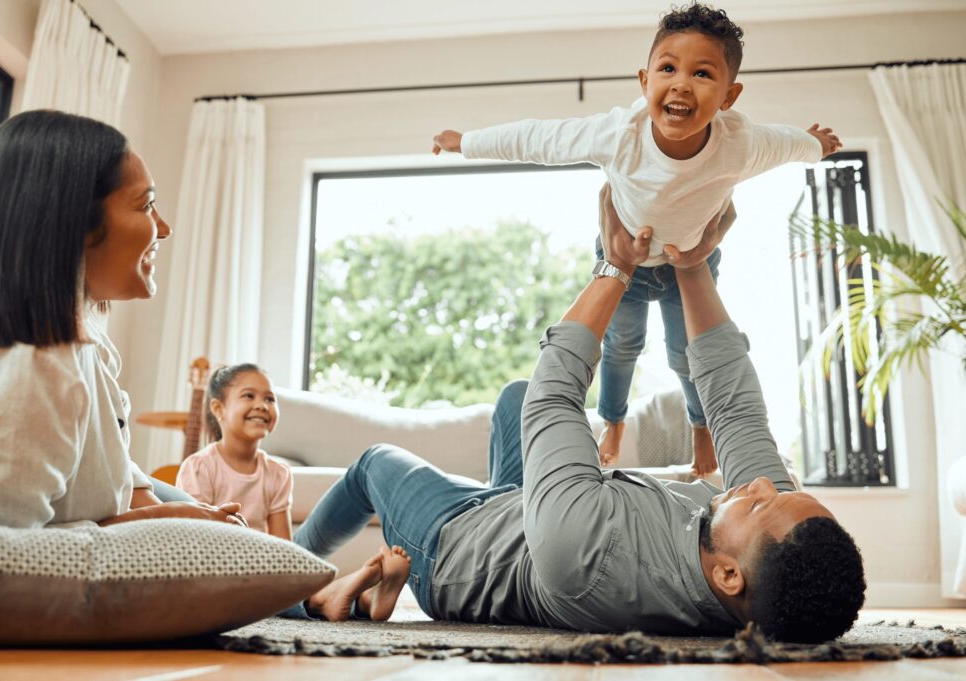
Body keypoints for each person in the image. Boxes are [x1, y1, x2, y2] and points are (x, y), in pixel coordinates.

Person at [292, 190, 866, 642]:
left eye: (762, 499)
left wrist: (615, 267)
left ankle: (293, 583)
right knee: (513, 397)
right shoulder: (753, 559)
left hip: (456, 550)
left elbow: (556, 394)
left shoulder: (588, 558)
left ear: (728, 576)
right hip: (526, 515)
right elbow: (736, 408)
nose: (761, 484)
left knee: (374, 464)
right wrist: (693, 269)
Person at [0, 109, 405, 623]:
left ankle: (317, 596)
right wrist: (162, 523)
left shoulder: (79, 342)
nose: (164, 228)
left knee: (218, 523)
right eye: (146, 205)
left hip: (131, 489)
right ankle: (317, 596)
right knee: (236, 539)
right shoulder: (29, 369)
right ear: (72, 224)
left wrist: (166, 509)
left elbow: (112, 466)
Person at [431, 2, 842, 477]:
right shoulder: (618, 134)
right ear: (645, 81)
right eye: (668, 68)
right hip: (623, 259)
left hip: (690, 262)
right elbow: (537, 139)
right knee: (622, 345)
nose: (682, 83)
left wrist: (816, 146)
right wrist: (466, 142)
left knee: (686, 355)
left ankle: (701, 427)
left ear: (729, 96)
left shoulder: (741, 143)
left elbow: (789, 143)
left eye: (703, 74)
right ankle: (613, 421)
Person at [177, 363, 294, 538]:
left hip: (261, 560)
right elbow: (194, 537)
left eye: (269, 399)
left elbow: (285, 547)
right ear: (218, 409)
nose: (262, 405)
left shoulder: (278, 473)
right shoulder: (199, 467)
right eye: (249, 396)